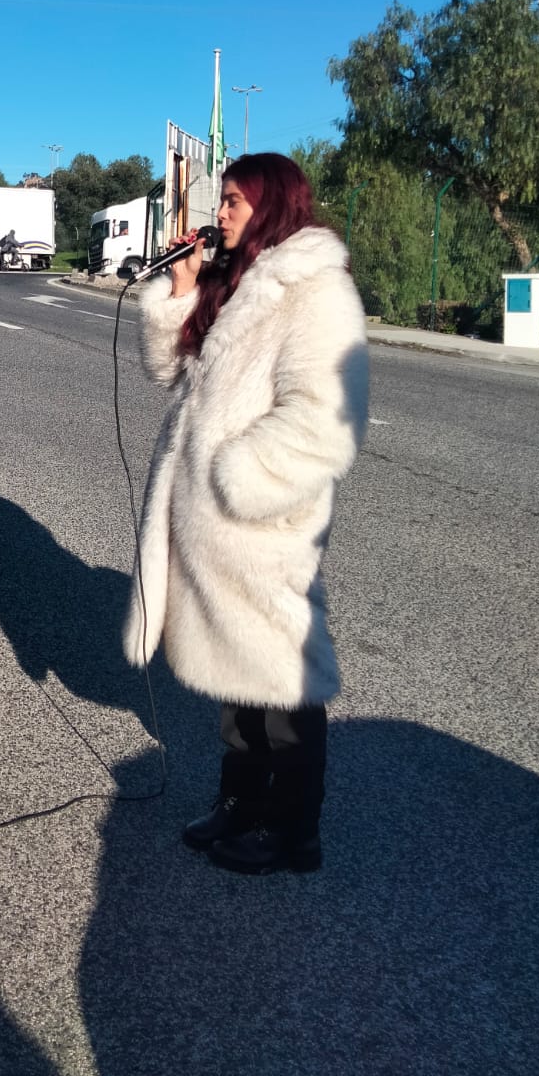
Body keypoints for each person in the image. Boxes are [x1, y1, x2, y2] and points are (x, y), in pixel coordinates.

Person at [124, 153, 368, 874]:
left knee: (283, 684)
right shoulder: (236, 282)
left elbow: (326, 417)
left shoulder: (316, 291)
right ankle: (241, 802)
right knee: (236, 681)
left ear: (270, 204)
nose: (220, 212)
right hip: (213, 528)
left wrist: (237, 479)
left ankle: (295, 833)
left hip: (262, 523)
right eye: (222, 199)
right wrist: (182, 290)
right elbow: (171, 374)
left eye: (233, 201)